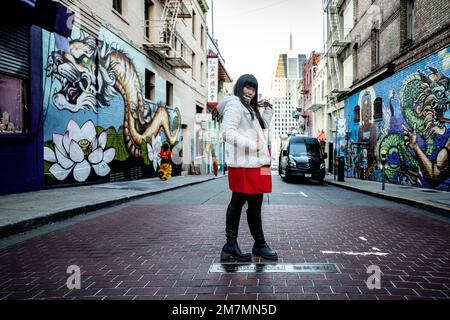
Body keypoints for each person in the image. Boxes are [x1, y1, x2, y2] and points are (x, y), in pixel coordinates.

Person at [217, 74, 278, 262]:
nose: (250, 91)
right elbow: (227, 133)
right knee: (238, 202)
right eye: (247, 87)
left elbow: (262, 126)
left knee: (256, 205)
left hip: (258, 163)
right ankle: (231, 246)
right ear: (239, 87)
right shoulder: (236, 104)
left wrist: (268, 110)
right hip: (245, 163)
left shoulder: (248, 107)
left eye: (253, 88)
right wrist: (253, 145)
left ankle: (257, 245)